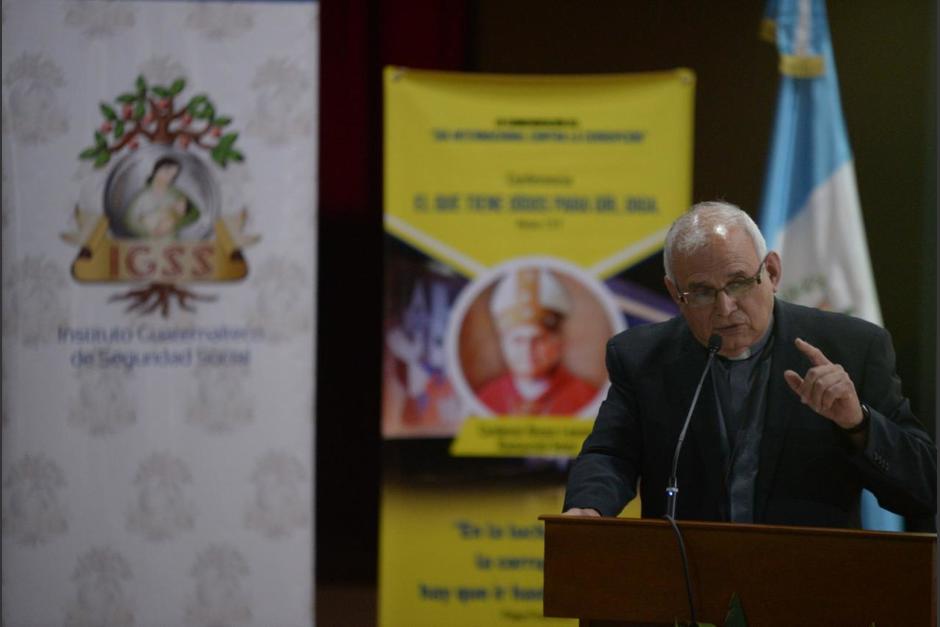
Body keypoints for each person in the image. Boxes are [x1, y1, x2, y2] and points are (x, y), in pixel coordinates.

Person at [563, 201, 936, 529]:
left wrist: (859, 423)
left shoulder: (854, 348)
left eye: (739, 283)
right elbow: (612, 454)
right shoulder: (642, 357)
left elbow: (923, 489)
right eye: (703, 292)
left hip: (812, 588)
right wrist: (587, 507)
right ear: (676, 293)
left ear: (771, 272)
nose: (725, 308)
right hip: (688, 586)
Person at [476, 267, 599, 416]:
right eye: (518, 340)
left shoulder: (588, 398)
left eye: (538, 339)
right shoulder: (486, 399)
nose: (528, 350)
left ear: (558, 342)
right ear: (503, 343)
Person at [124, 157, 199, 239]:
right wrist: (149, 231)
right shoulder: (141, 196)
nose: (169, 178)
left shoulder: (176, 194)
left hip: (171, 243)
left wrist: (175, 223)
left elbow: (195, 213)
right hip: (147, 243)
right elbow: (129, 221)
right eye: (167, 172)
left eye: (173, 175)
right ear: (156, 170)